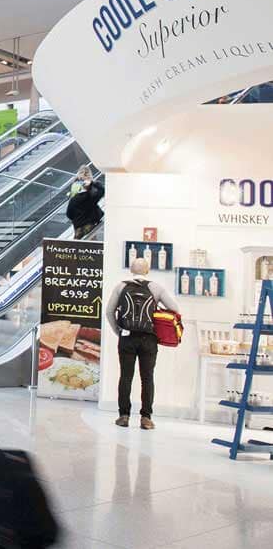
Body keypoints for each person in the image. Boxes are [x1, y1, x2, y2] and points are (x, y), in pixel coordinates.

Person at [106, 258, 178, 431]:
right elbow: (175, 309)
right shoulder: (156, 288)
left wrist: (119, 331)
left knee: (125, 376)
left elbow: (109, 312)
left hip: (127, 338)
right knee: (147, 378)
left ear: (131, 269)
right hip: (149, 339)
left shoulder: (120, 287)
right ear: (147, 271)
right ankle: (146, 418)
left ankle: (124, 416)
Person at [66, 166, 105, 238]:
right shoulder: (90, 197)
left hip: (78, 228)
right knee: (91, 245)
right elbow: (102, 191)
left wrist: (78, 218)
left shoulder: (73, 199)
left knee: (80, 246)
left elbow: (69, 214)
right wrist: (93, 183)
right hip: (91, 225)